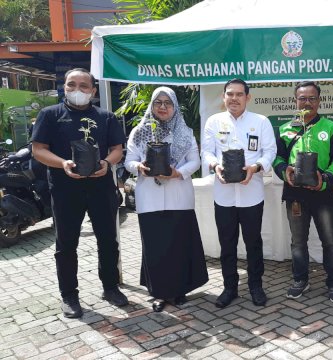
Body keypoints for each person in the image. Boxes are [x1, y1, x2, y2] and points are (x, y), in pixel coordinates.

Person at [32, 68, 128, 318]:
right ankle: (69, 295)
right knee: (66, 244)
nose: (78, 90)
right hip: (65, 189)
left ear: (93, 91)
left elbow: (117, 148)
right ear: (64, 87)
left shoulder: (106, 117)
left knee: (108, 240)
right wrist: (62, 163)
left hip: (101, 187)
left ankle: (110, 287)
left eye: (84, 86)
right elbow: (39, 150)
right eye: (71, 84)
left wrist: (107, 163)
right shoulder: (50, 115)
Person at [124, 87, 209, 312]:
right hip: (149, 197)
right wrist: (139, 167)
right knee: (156, 247)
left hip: (178, 196)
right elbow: (129, 160)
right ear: (152, 105)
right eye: (158, 102)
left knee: (178, 245)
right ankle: (160, 293)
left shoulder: (185, 132)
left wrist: (177, 173)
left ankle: (179, 290)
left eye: (168, 103)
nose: (163, 107)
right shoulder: (140, 132)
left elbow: (195, 162)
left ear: (174, 107)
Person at [201, 78, 277, 308]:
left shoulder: (260, 122)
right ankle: (229, 287)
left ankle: (256, 286)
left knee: (253, 242)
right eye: (230, 94)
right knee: (227, 243)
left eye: (239, 94)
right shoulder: (214, 122)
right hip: (223, 196)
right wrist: (215, 166)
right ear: (224, 97)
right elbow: (206, 152)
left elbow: (270, 150)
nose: (234, 98)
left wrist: (256, 167)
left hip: (252, 194)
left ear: (247, 97)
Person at [273, 81, 333, 302]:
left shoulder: (331, 128)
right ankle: (300, 280)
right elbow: (277, 158)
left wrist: (324, 179)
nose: (307, 103)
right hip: (295, 195)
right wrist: (282, 170)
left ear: (319, 100)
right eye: (302, 98)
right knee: (298, 241)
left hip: (322, 193)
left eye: (312, 98)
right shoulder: (286, 129)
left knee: (330, 240)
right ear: (296, 101)